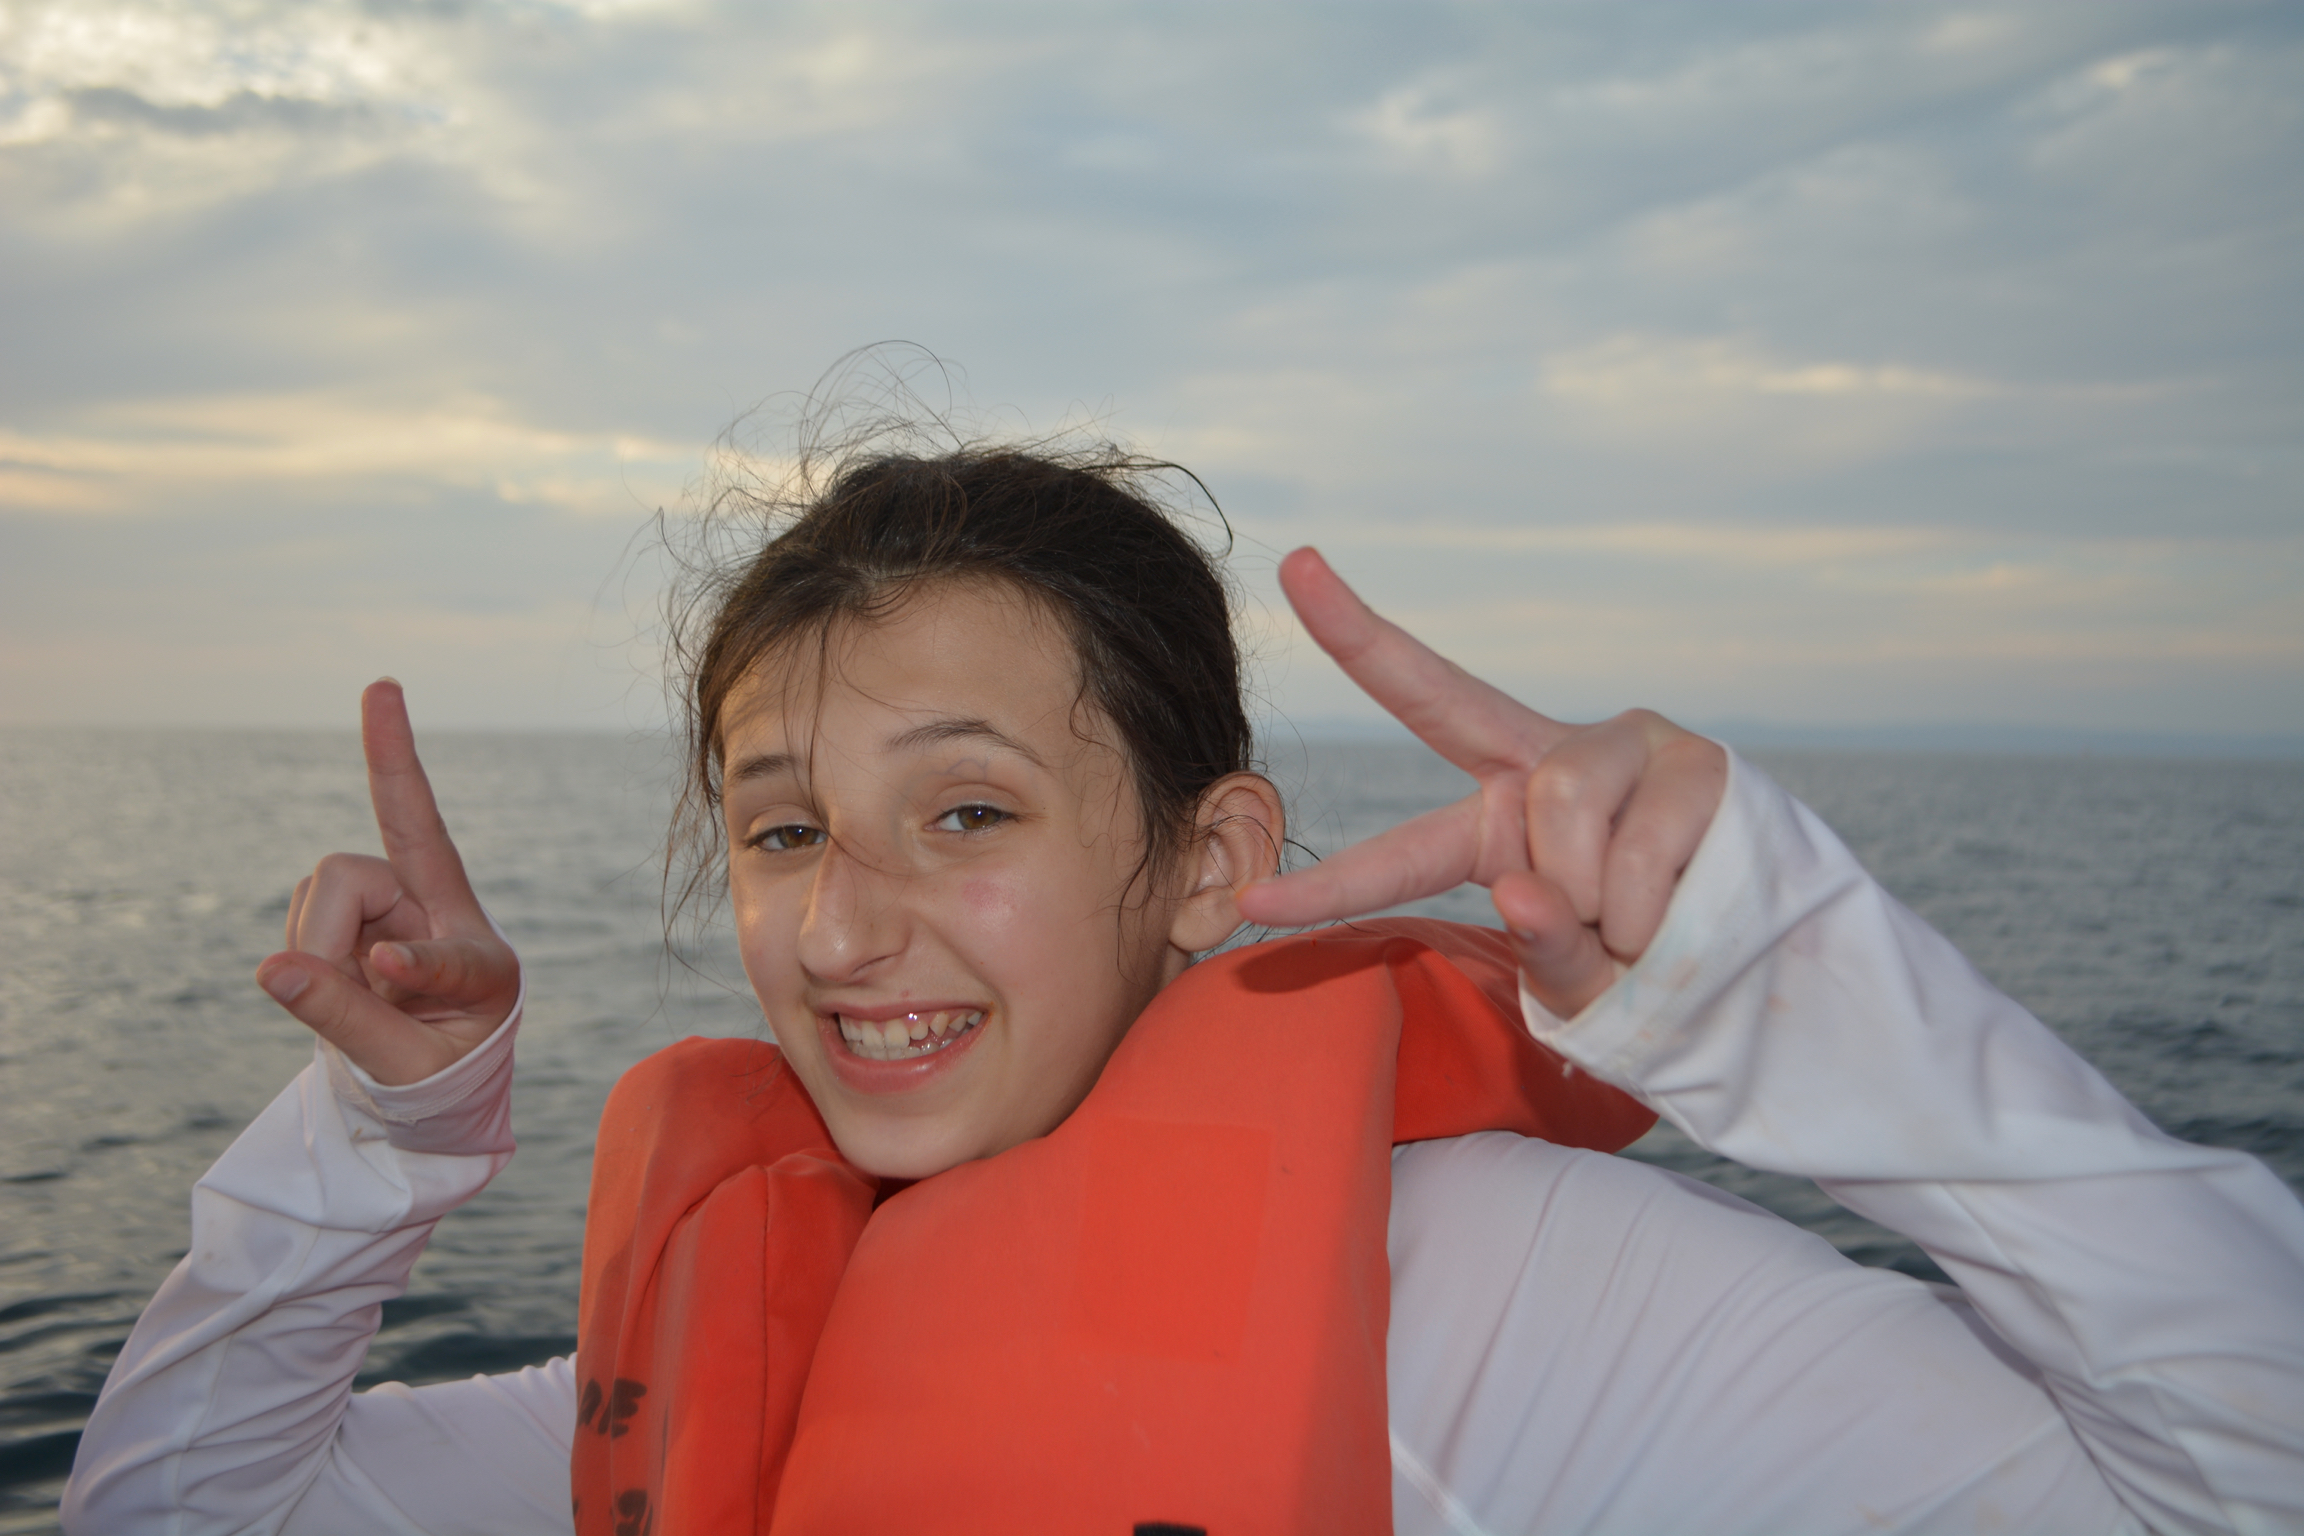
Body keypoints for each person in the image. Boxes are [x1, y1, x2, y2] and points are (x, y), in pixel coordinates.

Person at [62, 445, 2304, 1534]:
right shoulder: (753, 1320)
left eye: (965, 813)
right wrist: (390, 1136)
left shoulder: (1507, 1293)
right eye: (782, 831)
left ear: (1209, 864)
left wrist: (1781, 981)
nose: (840, 933)